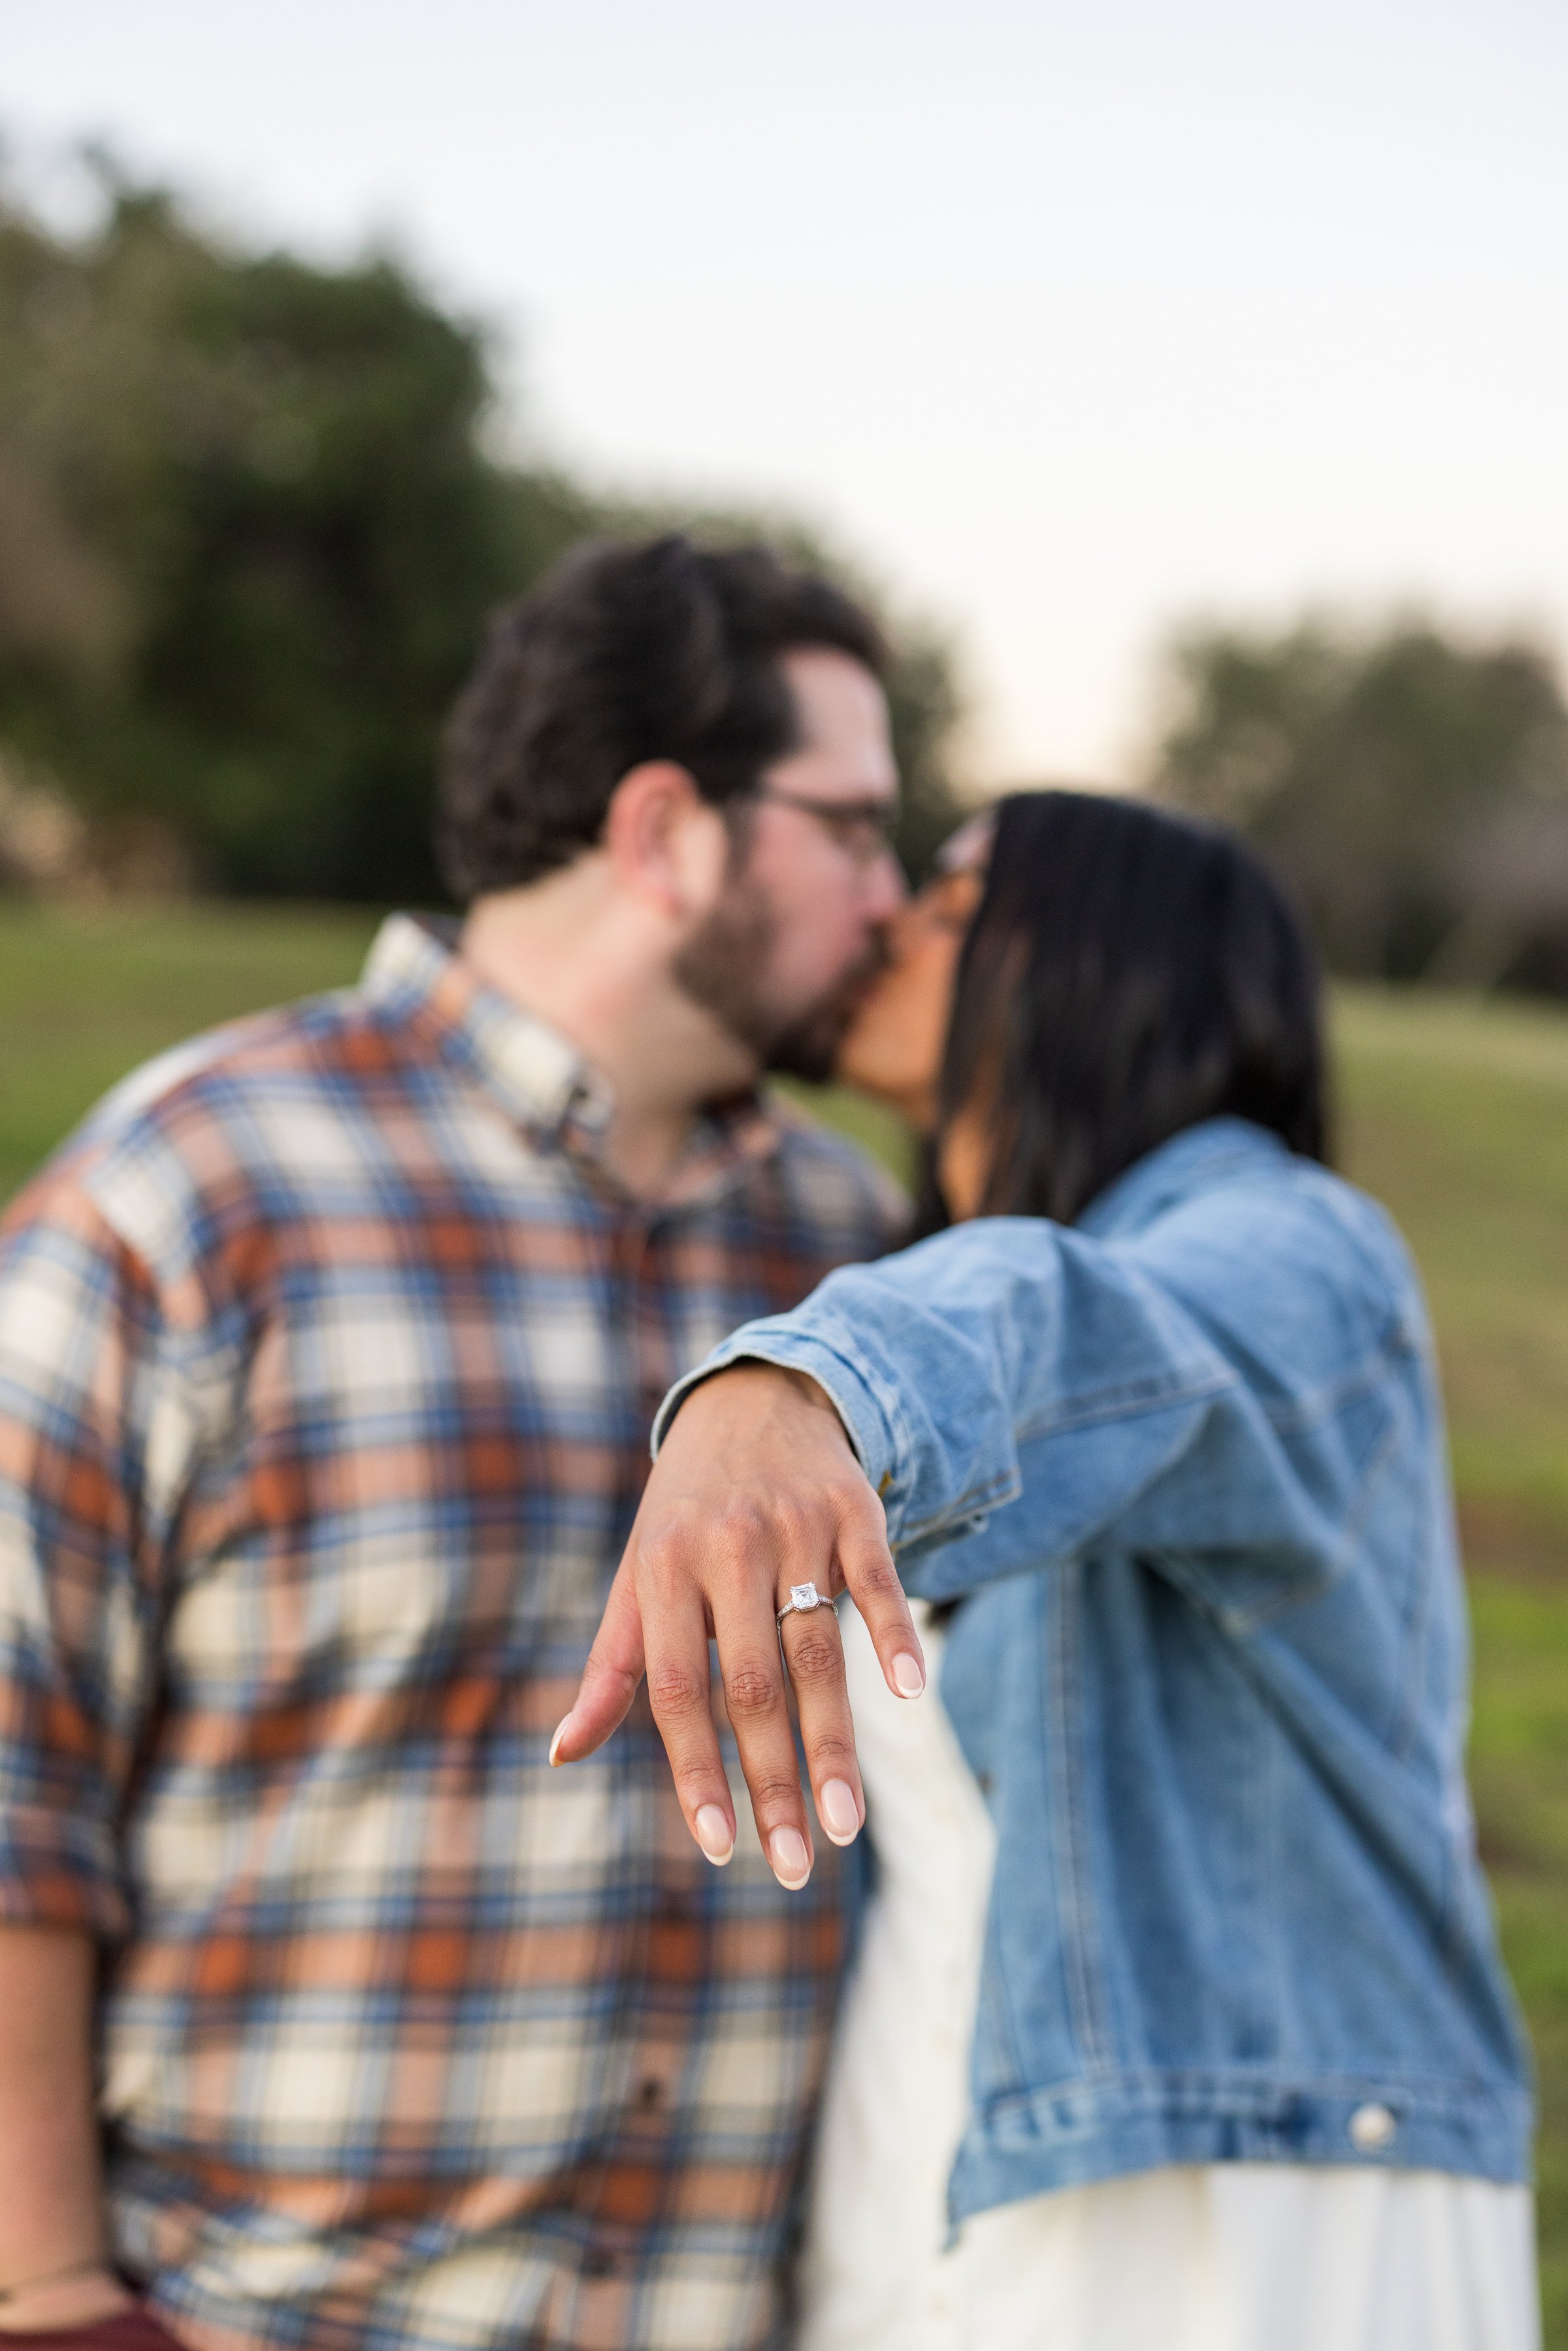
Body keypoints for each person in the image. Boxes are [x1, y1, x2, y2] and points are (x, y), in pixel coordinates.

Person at [0, 534, 910, 2351]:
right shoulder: (191, 1190)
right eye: (858, 827)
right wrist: (49, 2296)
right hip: (251, 2313)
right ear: (669, 828)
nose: (893, 895)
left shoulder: (866, 1258)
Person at [555, 792, 1539, 2350]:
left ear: (1096, 958)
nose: (882, 918)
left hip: (1236, 2214)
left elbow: (1078, 1323)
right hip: (930, 2198)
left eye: (945, 897)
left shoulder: (1292, 1247)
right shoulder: (924, 1236)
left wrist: (803, 1388)